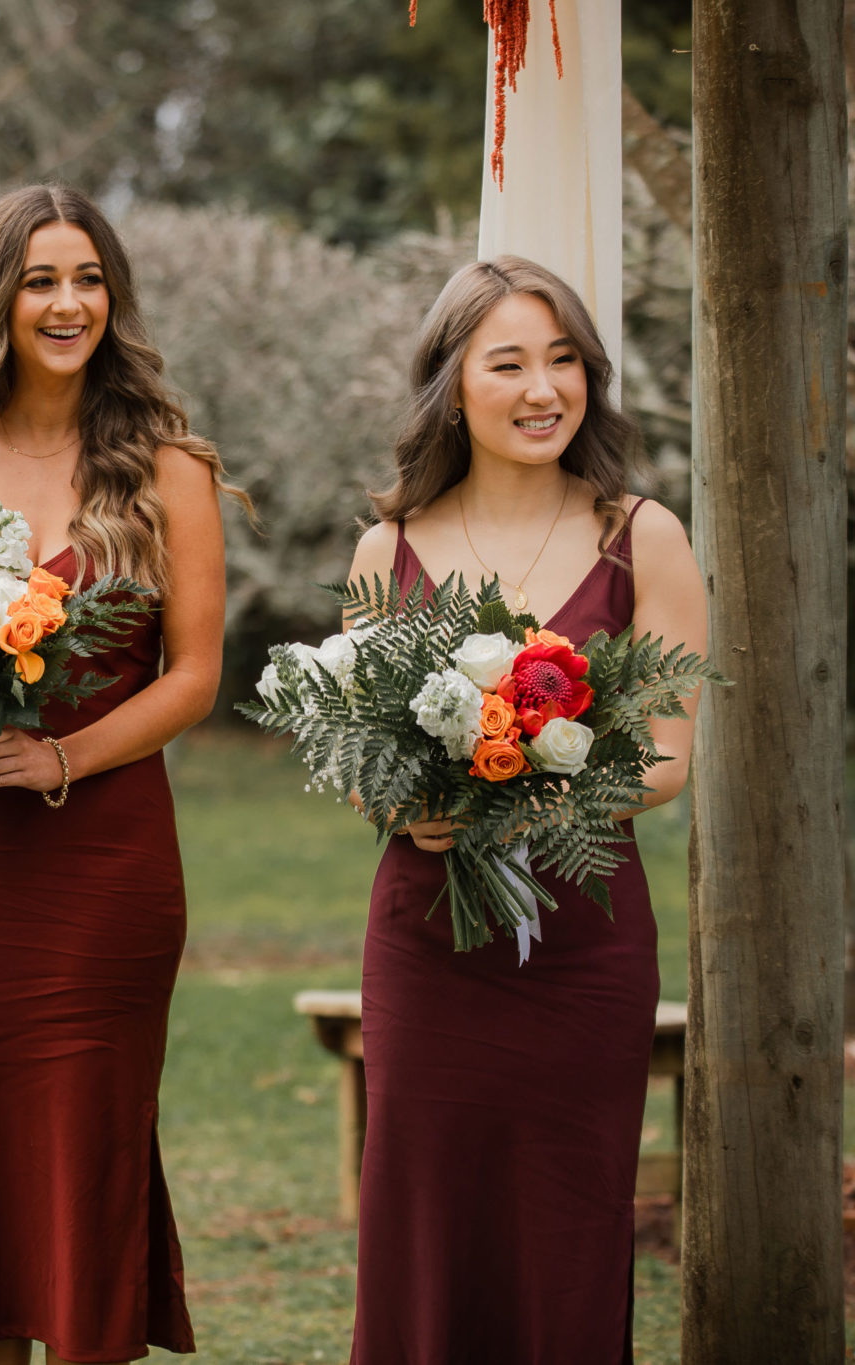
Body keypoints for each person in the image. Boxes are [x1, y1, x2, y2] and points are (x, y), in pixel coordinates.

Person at [0, 184, 242, 1364]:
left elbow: (192, 674)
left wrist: (59, 758)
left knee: (80, 1150)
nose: (67, 301)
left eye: (86, 279)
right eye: (40, 280)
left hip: (101, 861)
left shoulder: (166, 468)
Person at [342, 256, 707, 1363]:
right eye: (506, 363)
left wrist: (531, 787)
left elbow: (666, 755)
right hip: (427, 945)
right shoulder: (384, 548)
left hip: (580, 944)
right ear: (451, 385)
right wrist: (406, 807)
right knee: (425, 1218)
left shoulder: (640, 534)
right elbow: (360, 752)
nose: (541, 388)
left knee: (565, 1220)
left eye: (562, 362)